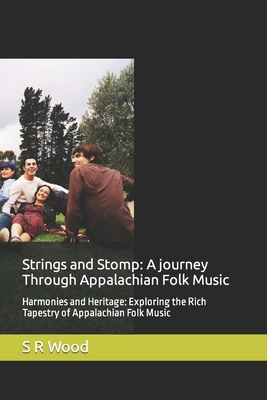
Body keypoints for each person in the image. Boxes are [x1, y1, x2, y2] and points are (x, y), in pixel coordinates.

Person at [61, 144, 134, 249]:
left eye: (77, 156)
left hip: (102, 239)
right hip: (129, 233)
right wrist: (127, 198)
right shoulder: (115, 173)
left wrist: (70, 235)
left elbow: (73, 208)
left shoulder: (78, 171)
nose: (73, 160)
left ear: (91, 157)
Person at [0, 156, 68, 243]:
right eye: (28, 164)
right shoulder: (18, 184)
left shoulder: (36, 180)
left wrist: (69, 191)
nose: (31, 166)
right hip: (22, 212)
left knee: (60, 194)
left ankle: (77, 220)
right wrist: (9, 214)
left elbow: (53, 186)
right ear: (24, 168)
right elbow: (8, 204)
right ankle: (10, 236)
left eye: (34, 164)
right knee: (10, 219)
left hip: (36, 211)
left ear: (37, 167)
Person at [0, 161, 18, 242]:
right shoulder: (10, 182)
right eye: (2, 169)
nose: (3, 171)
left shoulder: (9, 182)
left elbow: (5, 197)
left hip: (8, 211)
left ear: (13, 171)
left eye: (6, 169)